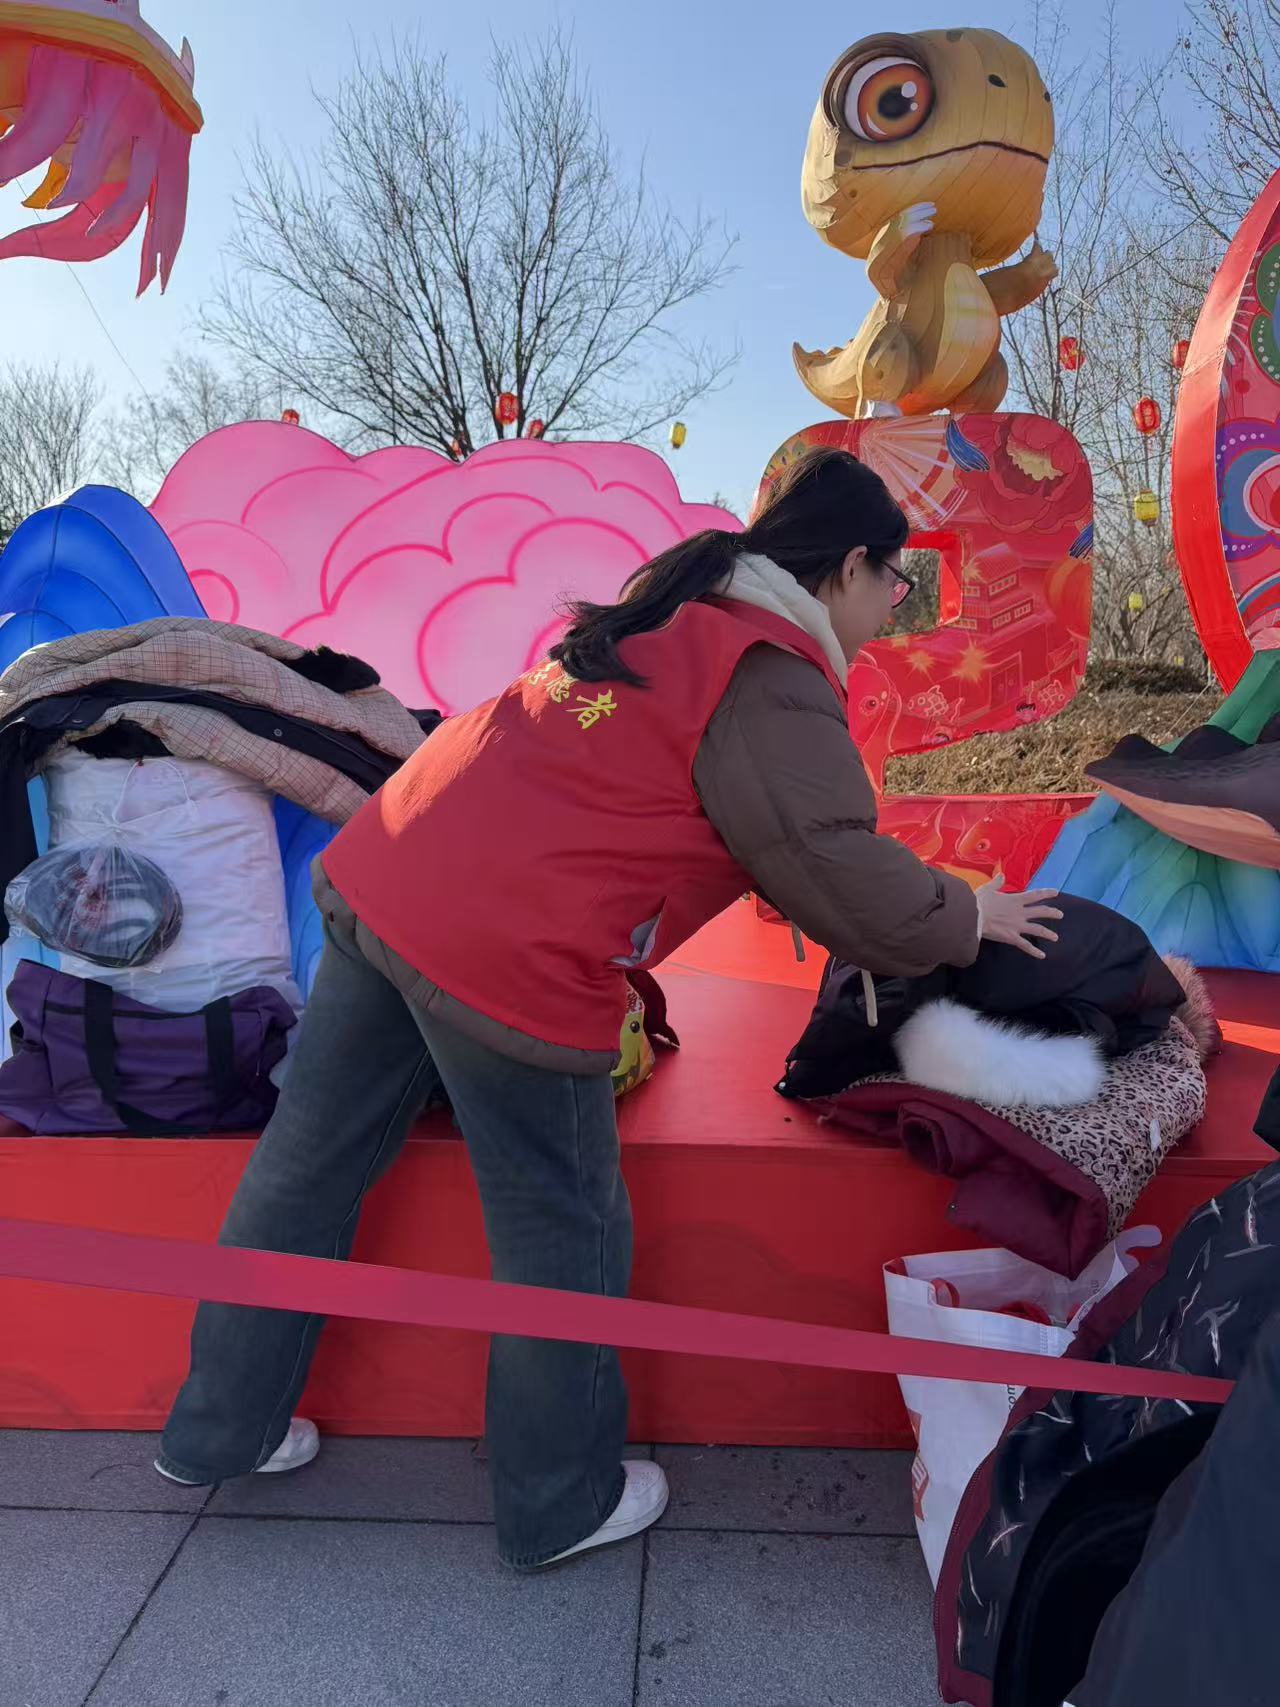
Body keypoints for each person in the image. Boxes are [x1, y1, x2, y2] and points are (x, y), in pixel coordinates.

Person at [155, 447, 1062, 1569]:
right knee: (562, 1222)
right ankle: (559, 1500)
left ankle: (217, 1432)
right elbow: (829, 864)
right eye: (895, 582)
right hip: (504, 941)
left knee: (308, 1165)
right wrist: (967, 916)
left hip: (387, 870)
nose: (893, 609)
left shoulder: (674, 615)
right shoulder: (767, 671)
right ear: (848, 568)